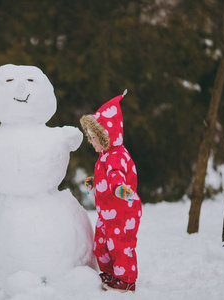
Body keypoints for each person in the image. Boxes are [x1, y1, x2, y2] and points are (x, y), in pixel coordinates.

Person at [79, 90, 142, 293]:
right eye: (90, 138)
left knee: (121, 245)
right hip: (107, 213)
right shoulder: (105, 155)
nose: (92, 142)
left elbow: (116, 175)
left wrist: (118, 187)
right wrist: (93, 182)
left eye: (95, 138)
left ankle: (126, 279)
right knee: (101, 245)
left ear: (107, 136)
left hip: (123, 211)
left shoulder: (117, 155)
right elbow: (104, 177)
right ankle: (110, 273)